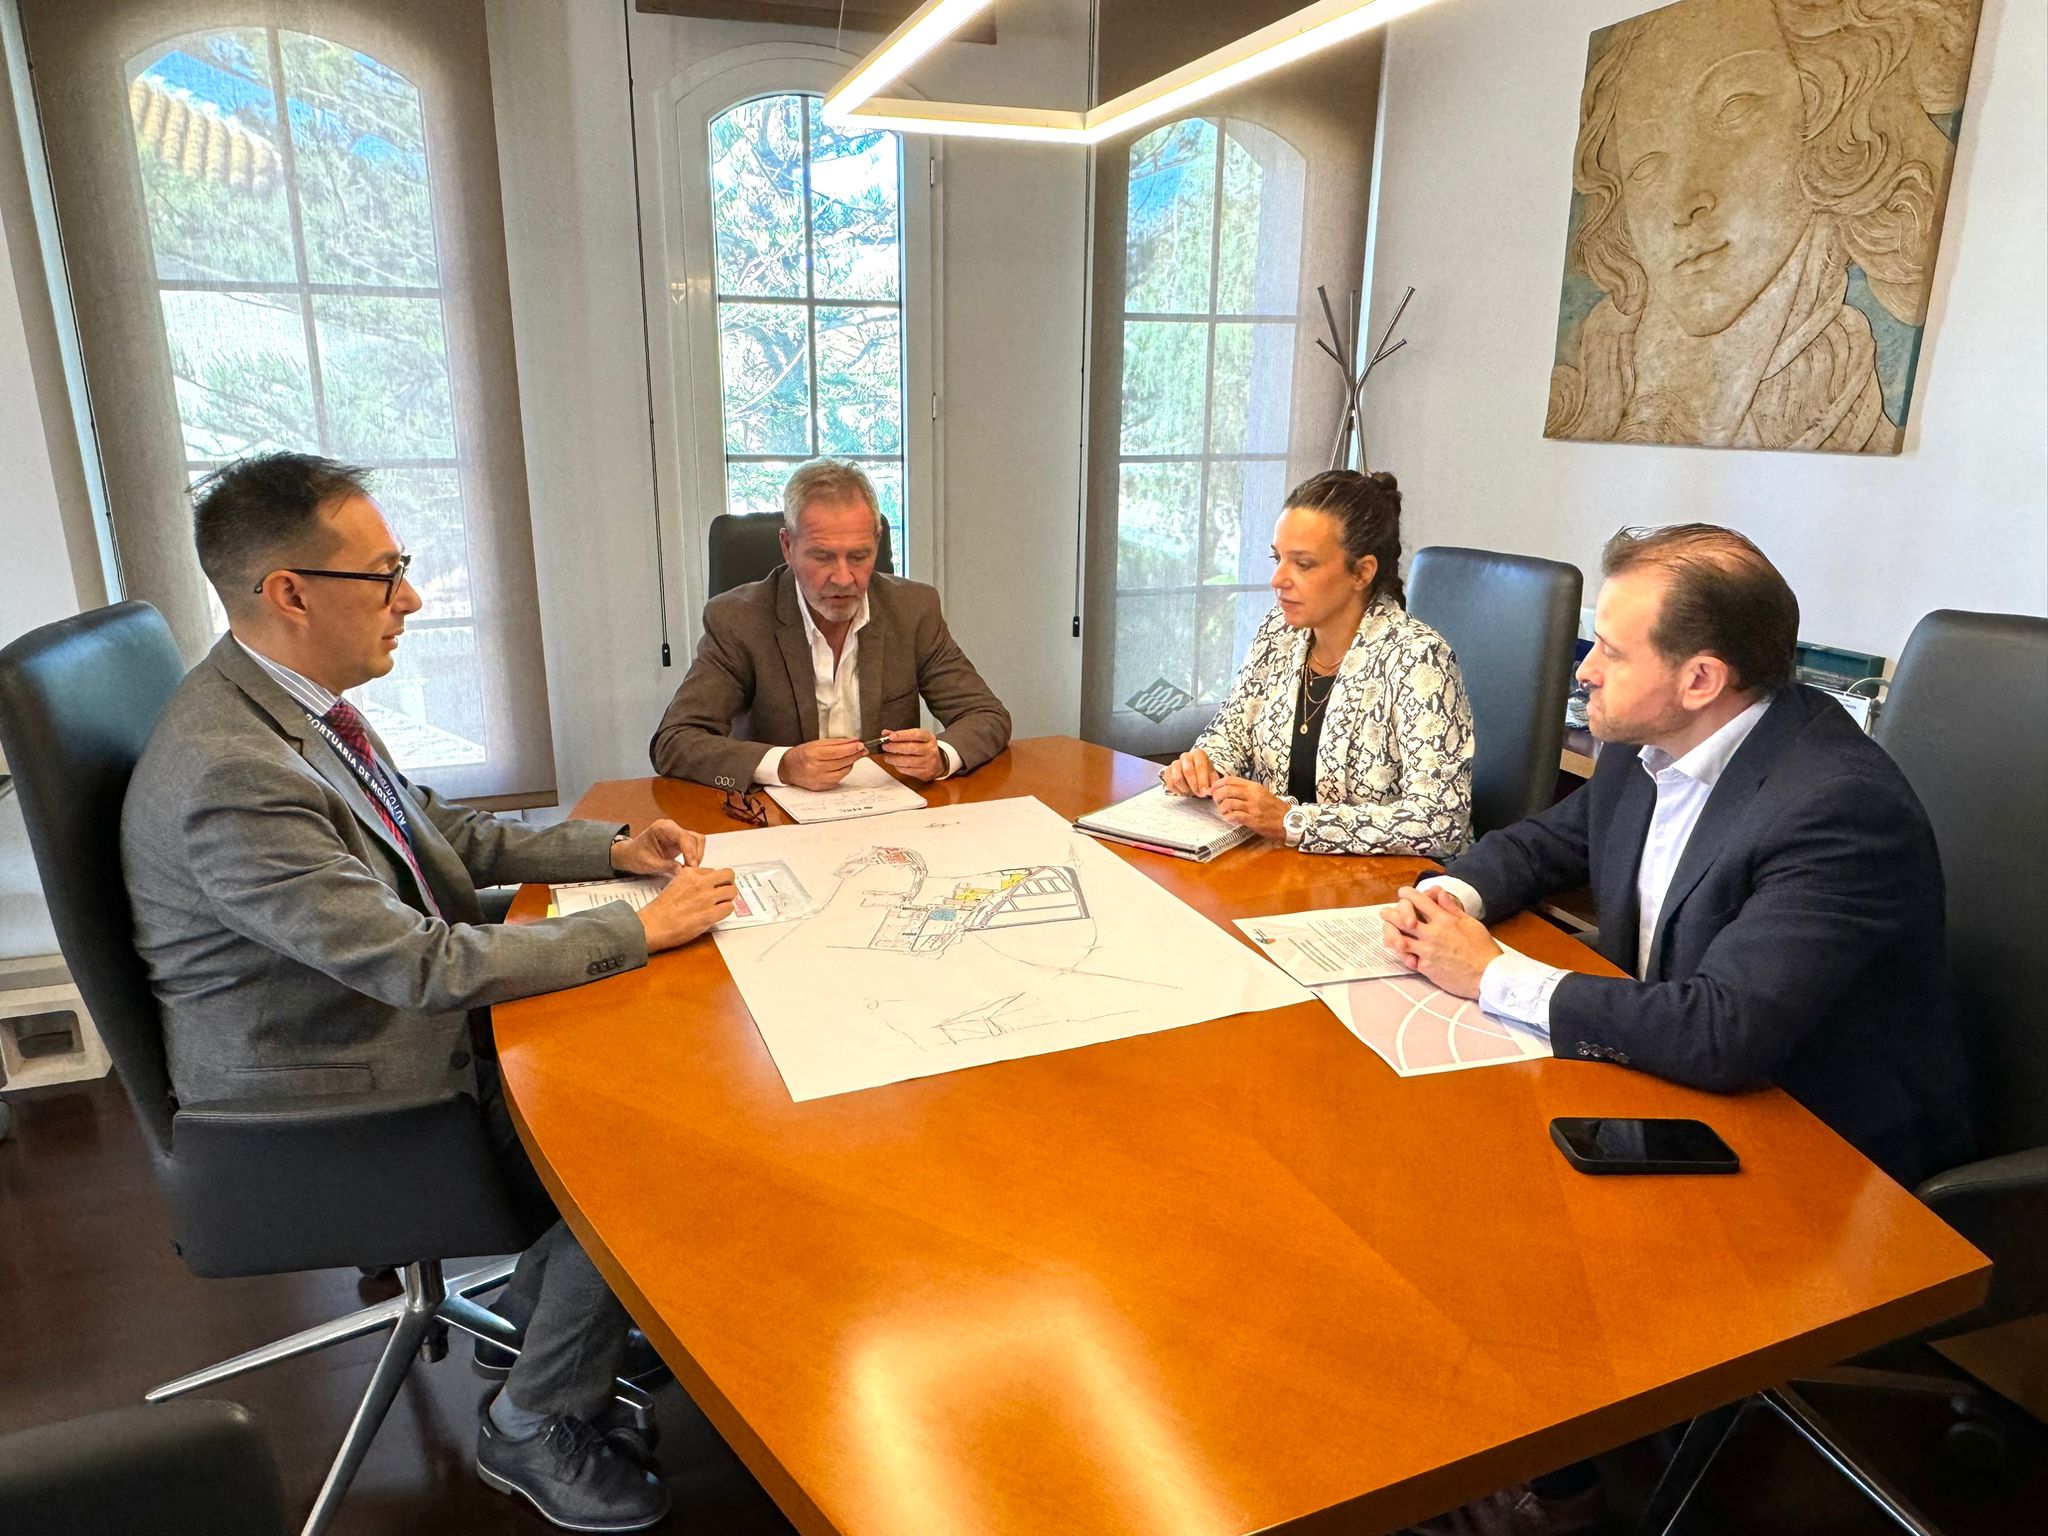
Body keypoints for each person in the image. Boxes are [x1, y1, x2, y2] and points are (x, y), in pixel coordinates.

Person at [122, 453, 736, 1534]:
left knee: (647, 1052)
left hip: (351, 1018)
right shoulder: (234, 771)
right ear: (290, 592)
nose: (409, 598)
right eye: (385, 574)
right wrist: (637, 928)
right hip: (325, 1092)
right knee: (656, 1139)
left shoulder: (288, 707)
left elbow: (433, 833)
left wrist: (614, 850)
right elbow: (417, 965)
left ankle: (547, 1310)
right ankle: (532, 1418)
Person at [1384, 523, 1972, 1188]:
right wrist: (1445, 902)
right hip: (1669, 1087)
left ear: (1700, 680)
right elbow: (1549, 844)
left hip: (1823, 1152)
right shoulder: (1651, 740)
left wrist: (1490, 975)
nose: (1585, 671)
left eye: (1611, 652)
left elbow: (1723, 1032)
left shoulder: (1838, 809)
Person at [1546, 0, 1978, 453]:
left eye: (1733, 110)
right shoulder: (1602, 389)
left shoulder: (1853, 384)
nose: (1682, 204)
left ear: (1824, 110)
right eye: (1645, 164)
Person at [1161, 469, 1474, 856]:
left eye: (1303, 564)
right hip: (1283, 867)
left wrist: (1294, 822)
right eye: (1277, 558)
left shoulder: (1419, 659)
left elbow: (1441, 821)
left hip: (1392, 883)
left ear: (1362, 572)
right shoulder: (1278, 631)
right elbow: (1231, 735)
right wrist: (1204, 766)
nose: (1278, 579)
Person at [650, 458, 1011, 791]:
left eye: (859, 556)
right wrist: (783, 765)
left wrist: (941, 756)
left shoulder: (913, 610)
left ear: (877, 542)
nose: (843, 578)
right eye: (822, 557)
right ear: (788, 547)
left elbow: (986, 715)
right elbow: (675, 740)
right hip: (777, 818)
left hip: (887, 812)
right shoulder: (738, 620)